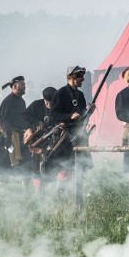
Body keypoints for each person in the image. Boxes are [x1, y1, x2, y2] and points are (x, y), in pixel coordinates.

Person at [50, 65, 94, 194]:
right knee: (65, 167)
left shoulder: (80, 94)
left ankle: (77, 193)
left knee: (80, 167)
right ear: (73, 77)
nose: (83, 80)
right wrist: (69, 116)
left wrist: (89, 112)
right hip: (66, 136)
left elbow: (82, 117)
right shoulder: (61, 93)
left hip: (79, 135)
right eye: (81, 77)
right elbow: (54, 115)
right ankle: (61, 193)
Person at [0, 76, 31, 183]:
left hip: (19, 136)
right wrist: (8, 137)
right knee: (5, 167)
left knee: (24, 165)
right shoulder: (8, 101)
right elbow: (4, 120)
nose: (24, 86)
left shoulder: (21, 101)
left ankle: (25, 188)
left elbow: (22, 118)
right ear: (14, 86)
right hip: (8, 137)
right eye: (22, 84)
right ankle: (3, 190)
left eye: (24, 84)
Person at [22, 86, 57, 193]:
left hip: (51, 140)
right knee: (34, 166)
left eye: (51, 102)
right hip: (36, 140)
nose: (49, 105)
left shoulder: (59, 106)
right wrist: (37, 122)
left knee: (48, 166)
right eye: (47, 102)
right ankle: (35, 190)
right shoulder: (37, 104)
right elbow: (25, 115)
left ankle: (43, 189)